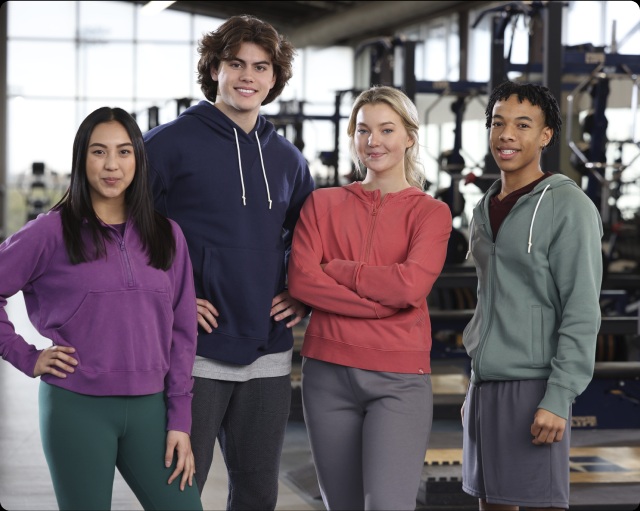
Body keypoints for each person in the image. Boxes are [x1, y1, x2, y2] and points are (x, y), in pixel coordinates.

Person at [143, 14, 315, 510]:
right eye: (236, 63)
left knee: (259, 493)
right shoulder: (166, 144)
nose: (248, 76)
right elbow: (129, 234)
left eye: (261, 67)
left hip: (268, 351)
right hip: (193, 352)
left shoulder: (287, 158)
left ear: (274, 78)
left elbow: (309, 237)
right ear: (214, 69)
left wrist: (301, 291)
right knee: (178, 493)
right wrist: (171, 298)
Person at [0, 107, 202, 511]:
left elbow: (183, 331)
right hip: (77, 409)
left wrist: (180, 418)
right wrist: (26, 356)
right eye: (99, 152)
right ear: (82, 159)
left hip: (152, 410)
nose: (112, 165)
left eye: (124, 152)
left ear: (138, 161)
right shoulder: (49, 232)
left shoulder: (167, 235)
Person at [288, 85, 453, 510]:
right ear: (352, 136)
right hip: (326, 375)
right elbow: (303, 282)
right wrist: (378, 306)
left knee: (388, 506)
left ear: (409, 137)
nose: (373, 141)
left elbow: (410, 287)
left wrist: (340, 270)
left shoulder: (431, 213)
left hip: (398, 379)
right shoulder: (321, 204)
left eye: (386, 130)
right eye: (363, 131)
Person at [460, 81, 604, 511]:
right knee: (492, 505)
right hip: (485, 384)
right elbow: (490, 299)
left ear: (545, 136)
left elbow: (581, 309)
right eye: (498, 123)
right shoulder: (484, 207)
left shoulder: (568, 205)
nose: (506, 135)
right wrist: (475, 386)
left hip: (534, 386)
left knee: (538, 503)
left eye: (523, 125)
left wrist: (559, 398)